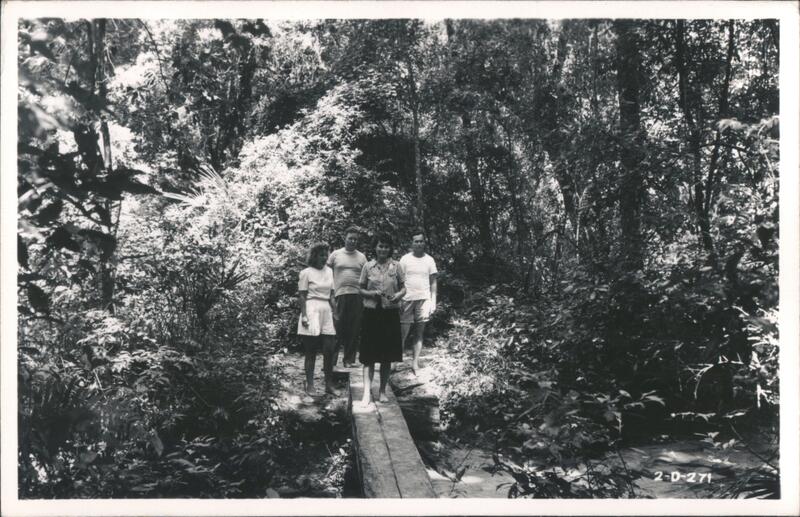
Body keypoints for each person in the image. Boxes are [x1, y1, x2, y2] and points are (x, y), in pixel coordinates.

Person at [358, 233, 406, 405]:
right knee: (368, 356)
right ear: (375, 248)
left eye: (386, 246)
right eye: (380, 246)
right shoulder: (367, 266)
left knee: (387, 356)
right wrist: (371, 294)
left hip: (390, 314)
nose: (383, 249)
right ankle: (366, 393)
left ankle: (382, 391)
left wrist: (398, 297)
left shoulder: (397, 266)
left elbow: (403, 288)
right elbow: (361, 289)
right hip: (371, 314)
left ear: (390, 248)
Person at [297, 243, 339, 397]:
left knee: (329, 349)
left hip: (326, 310)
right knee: (311, 351)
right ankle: (310, 385)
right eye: (321, 255)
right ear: (314, 256)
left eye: (326, 255)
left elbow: (332, 295)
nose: (324, 258)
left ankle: (329, 384)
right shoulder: (306, 273)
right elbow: (302, 295)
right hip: (311, 309)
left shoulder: (329, 271)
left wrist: (335, 313)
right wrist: (304, 315)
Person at [327, 227, 367, 368]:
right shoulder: (335, 254)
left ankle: (349, 360)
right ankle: (330, 362)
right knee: (336, 328)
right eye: (350, 238)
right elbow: (326, 272)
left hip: (356, 296)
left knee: (354, 329)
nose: (352, 241)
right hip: (339, 295)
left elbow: (366, 277)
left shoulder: (362, 257)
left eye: (355, 239)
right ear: (345, 238)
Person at [398, 230, 438, 375]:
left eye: (421, 241)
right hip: (406, 300)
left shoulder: (430, 260)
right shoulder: (404, 259)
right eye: (416, 241)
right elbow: (399, 281)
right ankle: (396, 361)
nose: (419, 244)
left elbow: (433, 282)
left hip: (424, 300)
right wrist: (399, 299)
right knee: (402, 333)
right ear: (412, 243)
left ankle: (415, 363)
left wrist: (433, 301)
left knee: (419, 333)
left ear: (424, 243)